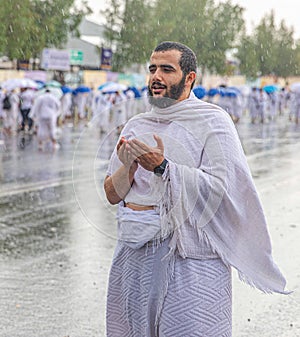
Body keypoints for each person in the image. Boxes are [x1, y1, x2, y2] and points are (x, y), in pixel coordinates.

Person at [104, 41, 288, 337]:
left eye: (167, 69)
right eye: (152, 69)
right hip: (133, 257)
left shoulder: (213, 122)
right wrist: (130, 167)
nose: (156, 77)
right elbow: (113, 194)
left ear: (190, 78)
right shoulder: (136, 125)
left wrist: (164, 167)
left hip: (189, 261)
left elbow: (221, 190)